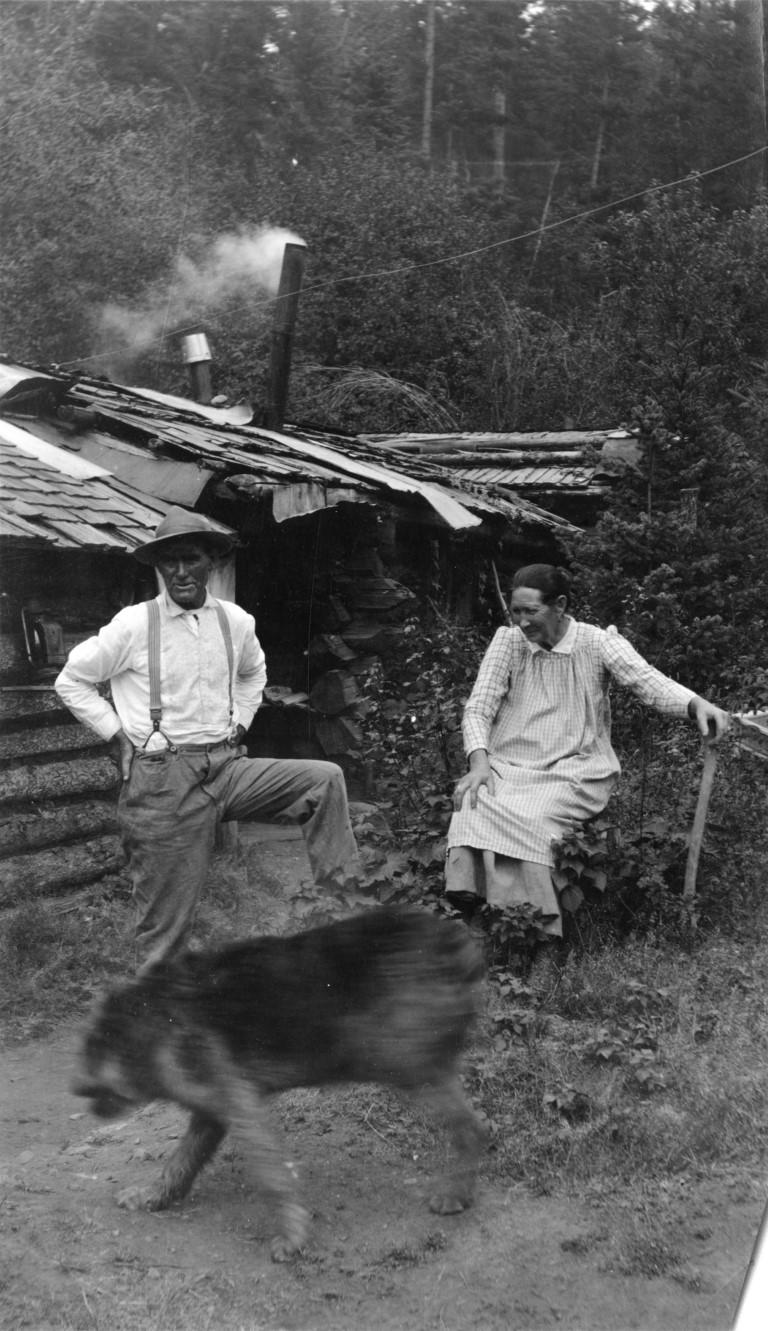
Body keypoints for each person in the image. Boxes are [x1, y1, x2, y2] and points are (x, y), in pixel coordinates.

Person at [55, 507, 363, 969]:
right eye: (170, 562)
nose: (180, 572)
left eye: (191, 559)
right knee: (165, 931)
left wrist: (240, 723)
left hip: (226, 768)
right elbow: (71, 681)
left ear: (212, 563)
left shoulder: (235, 622)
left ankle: (344, 921)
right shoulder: (134, 625)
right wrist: (115, 734)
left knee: (323, 779)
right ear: (159, 568)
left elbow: (253, 674)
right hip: (163, 781)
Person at [445, 563, 730, 949]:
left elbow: (647, 681)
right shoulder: (508, 642)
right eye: (517, 612)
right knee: (473, 799)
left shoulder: (597, 643)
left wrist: (695, 704)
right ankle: (475, 910)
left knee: (531, 815)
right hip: (508, 762)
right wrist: (479, 763)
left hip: (574, 767)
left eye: (533, 612)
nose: (523, 622)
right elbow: (478, 708)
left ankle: (534, 929)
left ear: (560, 605)